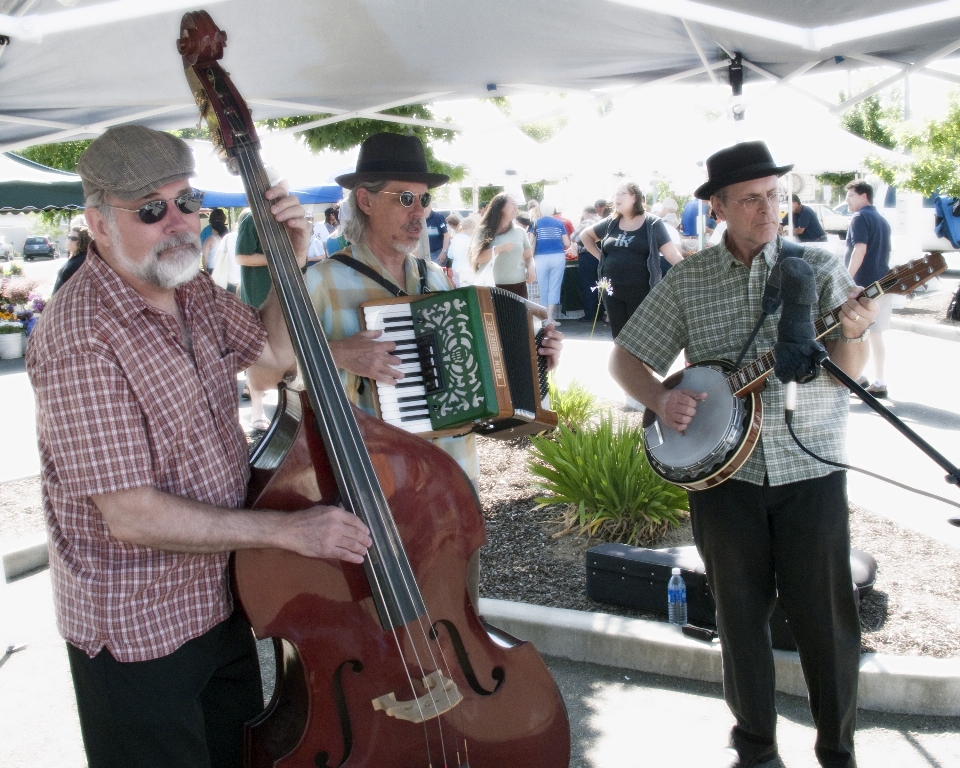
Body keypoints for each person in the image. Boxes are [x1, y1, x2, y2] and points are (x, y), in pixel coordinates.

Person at [25, 125, 371, 768]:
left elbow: (271, 353)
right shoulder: (82, 337)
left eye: (188, 201)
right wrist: (287, 534)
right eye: (152, 209)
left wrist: (288, 261)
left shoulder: (190, 287)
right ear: (98, 222)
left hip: (217, 594)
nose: (179, 222)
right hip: (137, 629)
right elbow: (131, 515)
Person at [610, 140, 877, 768]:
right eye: (752, 199)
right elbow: (624, 358)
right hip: (722, 481)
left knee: (827, 623)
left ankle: (838, 752)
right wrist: (661, 399)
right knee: (738, 616)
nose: (768, 210)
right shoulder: (690, 280)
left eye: (775, 196)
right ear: (719, 208)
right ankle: (756, 749)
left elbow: (848, 374)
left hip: (810, 468)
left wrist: (855, 333)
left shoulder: (816, 263)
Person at [305, 132, 563, 608]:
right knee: (387, 639)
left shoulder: (438, 278)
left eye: (424, 200)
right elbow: (276, 374)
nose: (418, 212)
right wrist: (337, 353)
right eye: (404, 198)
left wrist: (535, 358)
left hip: (452, 485)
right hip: (375, 493)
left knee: (459, 621)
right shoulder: (320, 280)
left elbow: (475, 382)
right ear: (364, 200)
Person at [578, 180, 682, 339]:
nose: (616, 198)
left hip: (642, 293)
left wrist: (691, 273)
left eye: (621, 194)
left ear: (634, 197)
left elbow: (672, 254)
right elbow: (585, 235)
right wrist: (601, 257)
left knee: (641, 340)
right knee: (619, 340)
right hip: (613, 292)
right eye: (615, 195)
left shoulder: (652, 223)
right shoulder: (611, 222)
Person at [845, 180, 892, 398]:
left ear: (864, 196)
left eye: (851, 196)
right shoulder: (882, 220)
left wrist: (846, 278)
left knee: (855, 332)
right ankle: (879, 380)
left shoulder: (860, 217)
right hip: (885, 282)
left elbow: (859, 250)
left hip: (863, 286)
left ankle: (858, 377)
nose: (847, 200)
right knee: (876, 334)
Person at [469, 192, 535, 298]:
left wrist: (531, 268)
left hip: (518, 287)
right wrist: (498, 249)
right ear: (501, 207)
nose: (516, 208)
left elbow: (528, 256)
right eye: (512, 204)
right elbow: (477, 258)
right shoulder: (484, 231)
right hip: (490, 288)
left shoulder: (520, 231)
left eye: (516, 205)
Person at [529, 200, 571, 325]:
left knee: (543, 286)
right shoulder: (559, 223)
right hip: (558, 256)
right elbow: (567, 243)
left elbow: (531, 242)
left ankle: (544, 318)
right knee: (554, 286)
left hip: (540, 257)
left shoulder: (535, 223)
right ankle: (550, 318)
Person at [571, 206, 602, 323]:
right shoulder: (603, 221)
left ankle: (590, 314)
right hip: (603, 255)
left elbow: (574, 237)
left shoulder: (587, 222)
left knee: (588, 285)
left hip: (588, 255)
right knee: (602, 285)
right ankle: (602, 312)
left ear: (586, 213)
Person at [52, 226, 91, 294]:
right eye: (69, 237)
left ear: (82, 241)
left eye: (73, 238)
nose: (69, 240)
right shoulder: (75, 257)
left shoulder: (82, 260)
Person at [447, 214, 477, 287]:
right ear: (467, 228)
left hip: (456, 269)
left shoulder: (455, 238)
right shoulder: (470, 240)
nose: (474, 231)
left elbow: (450, 255)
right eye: (474, 229)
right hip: (467, 271)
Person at [201, 207, 228, 273]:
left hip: (211, 266)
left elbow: (203, 252)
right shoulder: (227, 232)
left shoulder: (206, 231)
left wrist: (205, 271)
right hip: (224, 265)